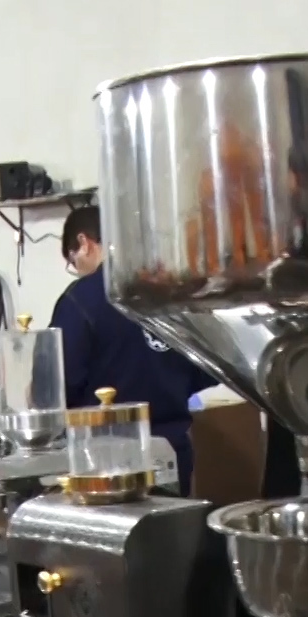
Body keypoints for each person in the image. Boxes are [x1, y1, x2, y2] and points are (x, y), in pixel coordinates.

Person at [50, 205, 218, 491]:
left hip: (104, 463)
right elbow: (206, 369)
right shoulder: (171, 291)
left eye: (73, 262)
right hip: (171, 453)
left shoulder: (79, 302)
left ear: (84, 242)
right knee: (172, 520)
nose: (77, 271)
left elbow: (59, 386)